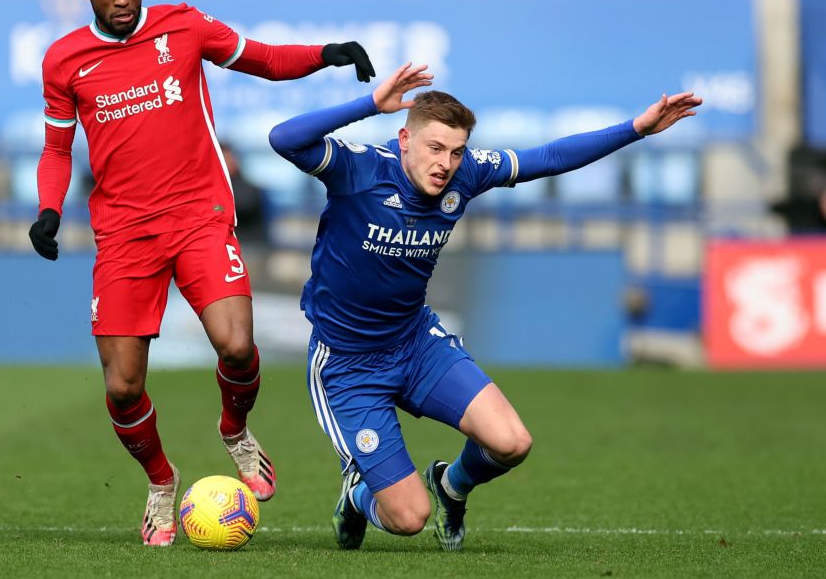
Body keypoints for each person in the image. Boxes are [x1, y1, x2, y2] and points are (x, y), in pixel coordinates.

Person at [27, 0, 375, 547]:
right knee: (122, 386)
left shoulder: (183, 27)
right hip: (125, 234)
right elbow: (57, 150)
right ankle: (162, 483)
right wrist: (49, 210)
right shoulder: (63, 61)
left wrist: (328, 52)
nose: (123, 0)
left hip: (198, 214)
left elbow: (264, 59)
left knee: (237, 346)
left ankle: (235, 430)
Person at [268, 63, 702, 551]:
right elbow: (284, 138)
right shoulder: (360, 169)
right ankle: (357, 495)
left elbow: (551, 157)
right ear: (404, 139)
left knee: (512, 442)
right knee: (408, 518)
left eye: (455, 152)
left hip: (415, 345)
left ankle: (452, 484)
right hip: (348, 365)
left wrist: (637, 129)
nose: (446, 163)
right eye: (435, 148)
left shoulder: (466, 174)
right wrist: (368, 103)